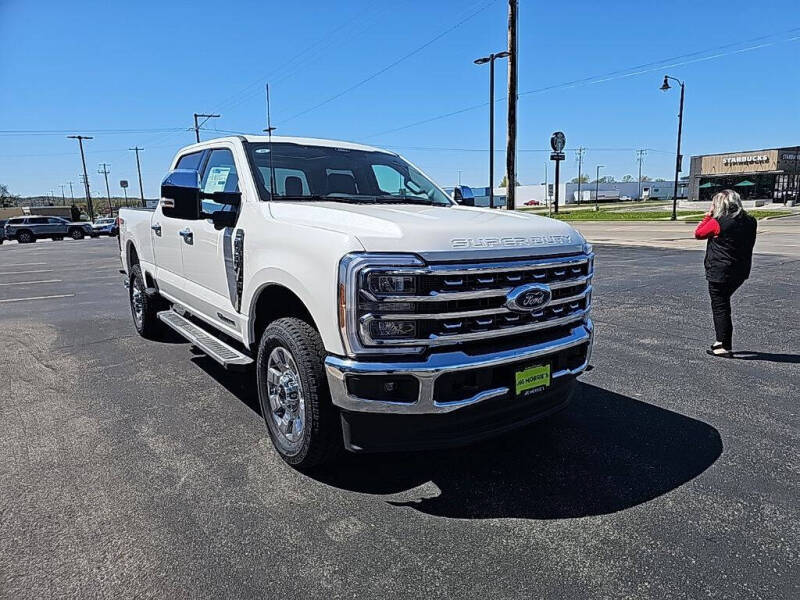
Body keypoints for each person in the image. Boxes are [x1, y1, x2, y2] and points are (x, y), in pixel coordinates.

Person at [694, 189, 757, 357]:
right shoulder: (751, 221)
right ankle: (721, 341)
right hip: (740, 270)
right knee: (724, 303)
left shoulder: (719, 222)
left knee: (720, 306)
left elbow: (699, 233)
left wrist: (708, 215)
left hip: (720, 271)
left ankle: (723, 345)